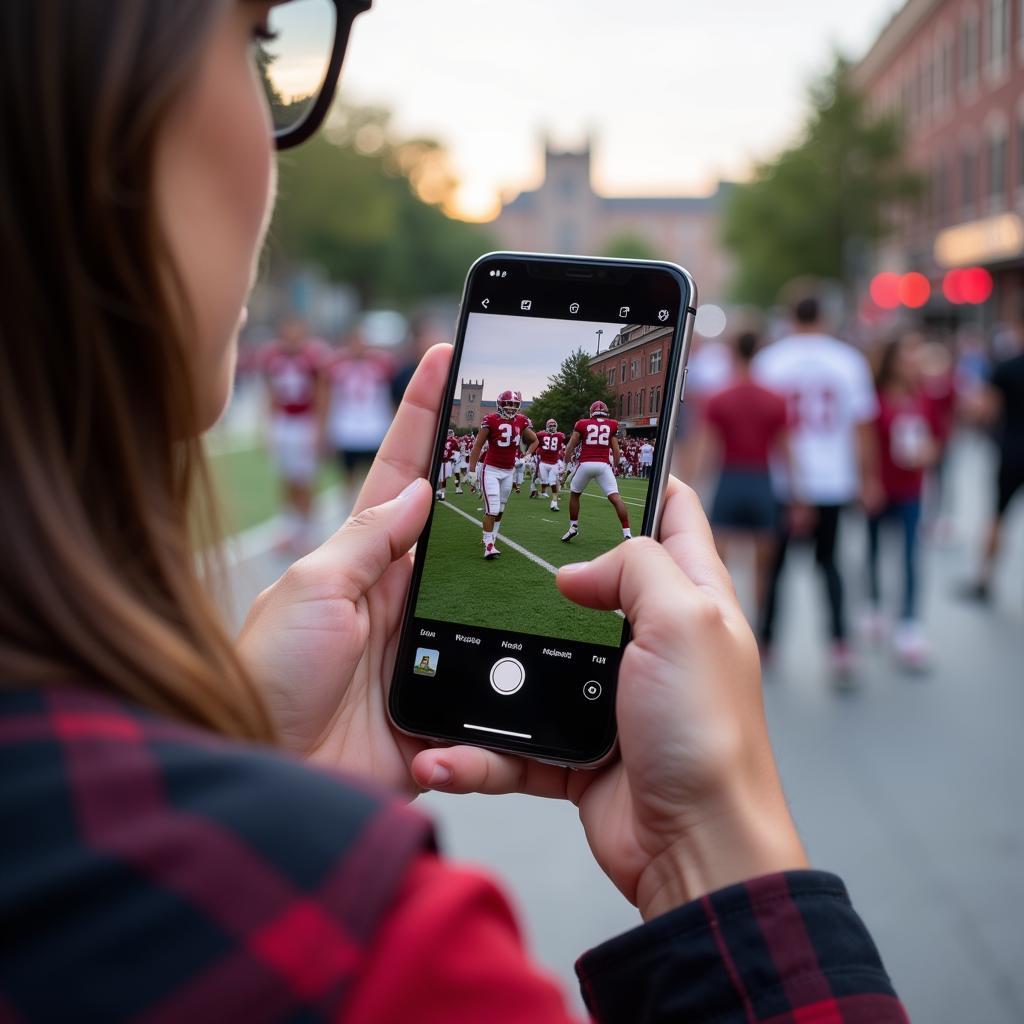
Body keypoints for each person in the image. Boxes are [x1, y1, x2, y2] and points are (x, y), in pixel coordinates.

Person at [0, 4, 909, 1021]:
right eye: (260, 42)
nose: (271, 135)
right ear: (87, 112)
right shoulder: (370, 949)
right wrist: (715, 852)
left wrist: (253, 762)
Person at [753, 292, 882, 682]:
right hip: (832, 479)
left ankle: (767, 643)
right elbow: (863, 425)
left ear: (790, 316)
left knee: (776, 567)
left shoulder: (770, 361)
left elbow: (763, 426)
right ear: (824, 316)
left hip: (782, 479)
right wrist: (869, 477)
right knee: (829, 564)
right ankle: (839, 645)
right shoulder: (847, 360)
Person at [692, 331, 790, 631]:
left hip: (729, 482)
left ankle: (723, 626)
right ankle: (757, 631)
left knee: (719, 568)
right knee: (762, 570)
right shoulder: (775, 398)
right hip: (761, 483)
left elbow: (706, 448)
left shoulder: (719, 397)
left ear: (732, 353)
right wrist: (797, 496)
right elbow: (786, 450)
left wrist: (694, 489)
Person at [865, 335, 940, 670]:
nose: (912, 364)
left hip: (912, 488)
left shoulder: (923, 398)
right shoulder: (874, 397)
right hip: (881, 486)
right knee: (873, 549)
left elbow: (937, 438)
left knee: (911, 554)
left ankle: (909, 622)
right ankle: (873, 605)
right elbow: (864, 440)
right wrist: (867, 481)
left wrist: (927, 453)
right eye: (907, 357)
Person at [959, 325, 1024, 602]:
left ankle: (984, 580)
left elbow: (987, 411)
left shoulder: (1007, 367)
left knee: (997, 516)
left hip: (1011, 451)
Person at [259, 316, 327, 555]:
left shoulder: (313, 357)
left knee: (305, 479)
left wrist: (320, 429)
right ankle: (289, 529)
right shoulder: (273, 356)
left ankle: (309, 532)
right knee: (285, 478)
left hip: (304, 422)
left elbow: (321, 395)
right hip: (283, 422)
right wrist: (266, 426)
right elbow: (270, 394)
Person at [323, 327, 396, 492]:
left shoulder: (382, 364)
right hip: (347, 429)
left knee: (375, 475)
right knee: (348, 474)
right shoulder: (337, 365)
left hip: (374, 429)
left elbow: (390, 396)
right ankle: (350, 507)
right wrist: (327, 429)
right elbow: (328, 397)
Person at [467, 390, 538, 558]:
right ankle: (488, 545)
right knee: (492, 508)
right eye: (507, 404)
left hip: (509, 471)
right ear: (500, 404)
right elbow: (478, 445)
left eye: (514, 404)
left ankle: (492, 537)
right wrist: (471, 471)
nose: (511, 407)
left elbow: (535, 440)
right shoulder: (491, 420)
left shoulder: (521, 421)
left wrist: (527, 456)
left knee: (501, 508)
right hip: (491, 469)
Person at [561, 401, 632, 543]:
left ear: (591, 412)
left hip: (586, 464)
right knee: (616, 498)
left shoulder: (582, 423)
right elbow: (616, 450)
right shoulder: (611, 424)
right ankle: (627, 534)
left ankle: (573, 527)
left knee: (575, 494)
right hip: (603, 466)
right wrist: (616, 465)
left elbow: (571, 445)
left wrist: (565, 463)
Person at [534, 418, 566, 510]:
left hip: (554, 463)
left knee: (552, 482)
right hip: (543, 463)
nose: (552, 427)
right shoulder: (560, 435)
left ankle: (554, 503)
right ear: (547, 426)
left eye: (553, 426)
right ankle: (537, 490)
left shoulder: (542, 434)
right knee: (544, 480)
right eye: (550, 426)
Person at [435, 427, 463, 500]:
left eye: (451, 433)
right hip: (446, 461)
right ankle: (439, 492)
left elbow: (458, 451)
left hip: (452, 461)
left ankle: (457, 488)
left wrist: (455, 459)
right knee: (441, 477)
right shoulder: (450, 441)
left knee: (454, 475)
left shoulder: (453, 441)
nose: (450, 435)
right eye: (449, 433)